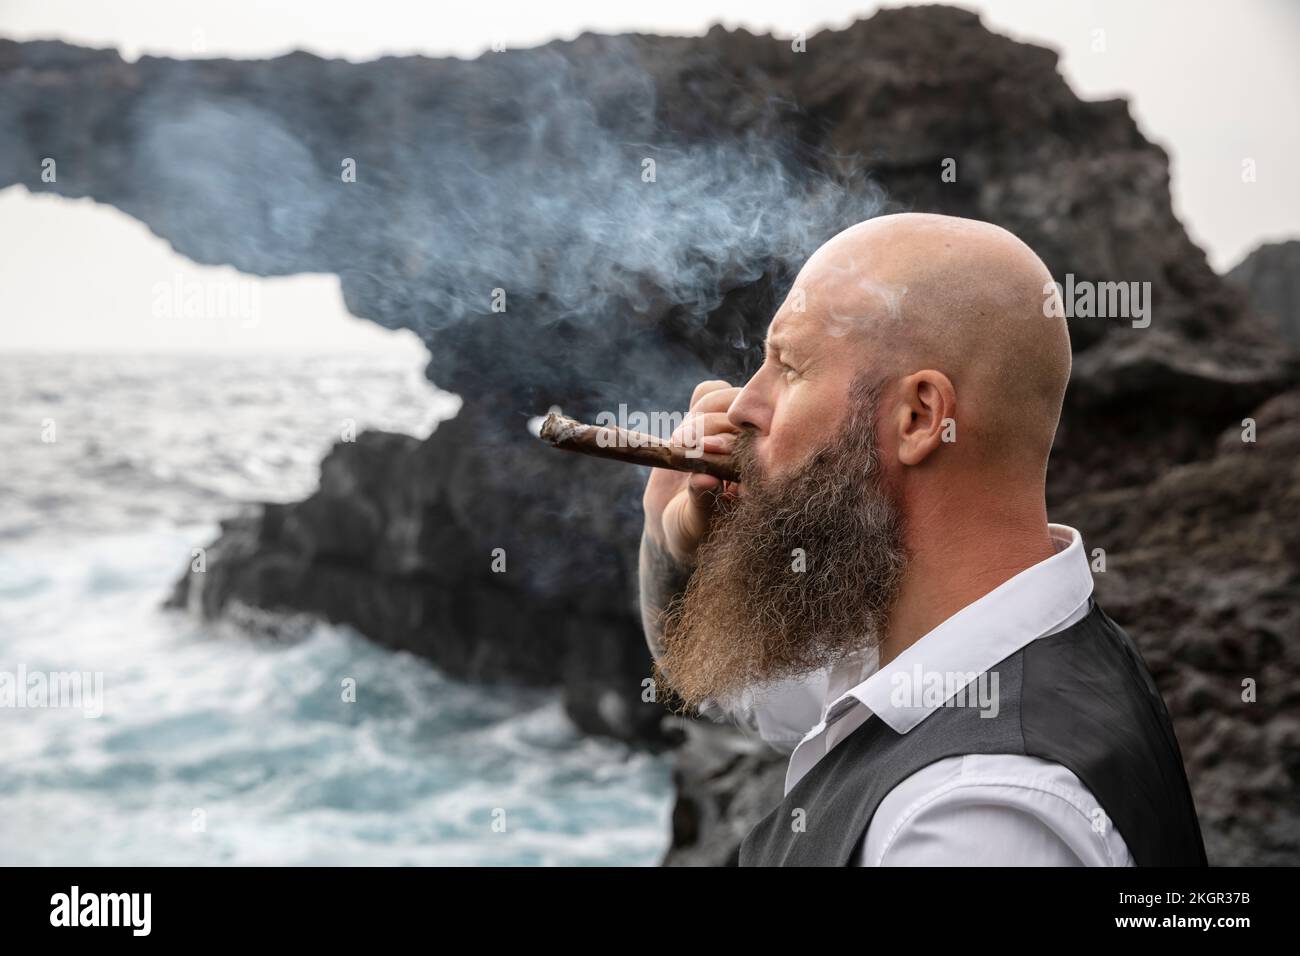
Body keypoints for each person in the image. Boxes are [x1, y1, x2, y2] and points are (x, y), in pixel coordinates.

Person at [638, 213, 1206, 866]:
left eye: (788, 368)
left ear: (919, 417)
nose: (742, 406)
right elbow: (711, 677)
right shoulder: (925, 639)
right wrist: (674, 540)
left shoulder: (976, 818)